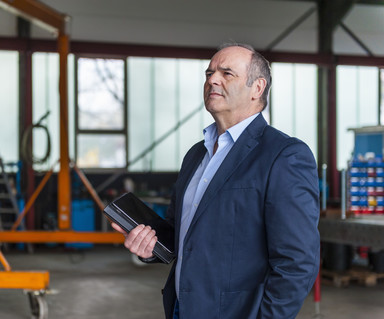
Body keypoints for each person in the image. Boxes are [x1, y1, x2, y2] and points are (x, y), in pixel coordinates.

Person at [112, 43, 320, 319]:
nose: (212, 79)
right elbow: (180, 233)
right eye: (209, 73)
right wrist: (149, 247)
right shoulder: (196, 154)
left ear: (257, 88)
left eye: (226, 73)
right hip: (181, 308)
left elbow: (297, 262)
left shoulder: (284, 155)